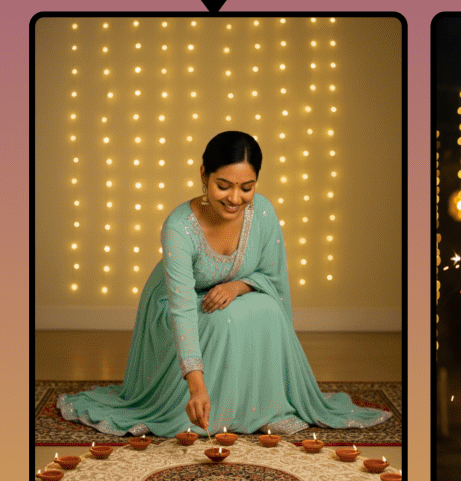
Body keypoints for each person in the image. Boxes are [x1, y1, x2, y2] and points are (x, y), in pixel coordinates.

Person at [56, 130, 384, 439]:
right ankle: (208, 404)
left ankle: (252, 407)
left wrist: (236, 287)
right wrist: (196, 388)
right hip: (172, 306)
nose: (235, 198)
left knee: (268, 309)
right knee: (219, 320)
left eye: (247, 187)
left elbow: (272, 279)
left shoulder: (264, 213)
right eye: (223, 186)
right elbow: (182, 308)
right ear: (204, 175)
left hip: (230, 296)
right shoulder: (179, 227)